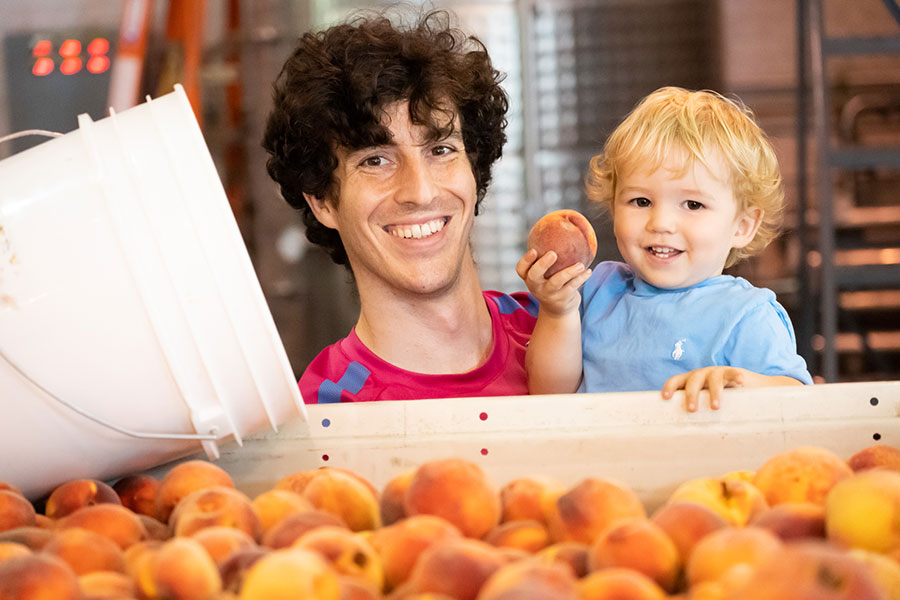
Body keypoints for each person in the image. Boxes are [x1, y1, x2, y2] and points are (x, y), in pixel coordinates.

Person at [262, 9, 537, 403]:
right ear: (322, 201)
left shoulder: (575, 332)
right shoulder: (329, 416)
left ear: (474, 173)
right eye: (374, 160)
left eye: (441, 149)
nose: (421, 192)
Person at [517, 86, 812, 411]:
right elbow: (549, 395)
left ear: (742, 226)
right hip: (597, 461)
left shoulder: (746, 315)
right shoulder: (598, 292)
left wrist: (740, 382)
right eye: (641, 201)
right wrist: (557, 310)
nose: (661, 222)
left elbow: (796, 399)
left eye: (693, 204)